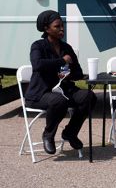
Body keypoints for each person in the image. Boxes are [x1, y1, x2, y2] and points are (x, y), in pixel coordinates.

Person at [26, 10, 97, 155]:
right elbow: (38, 65)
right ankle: (48, 135)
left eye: (62, 25)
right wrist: (61, 61)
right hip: (41, 93)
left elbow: (78, 72)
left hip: (64, 90)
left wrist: (69, 75)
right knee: (58, 102)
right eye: (57, 26)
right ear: (46, 29)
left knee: (89, 97)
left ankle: (70, 133)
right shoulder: (38, 46)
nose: (62, 29)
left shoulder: (67, 48)